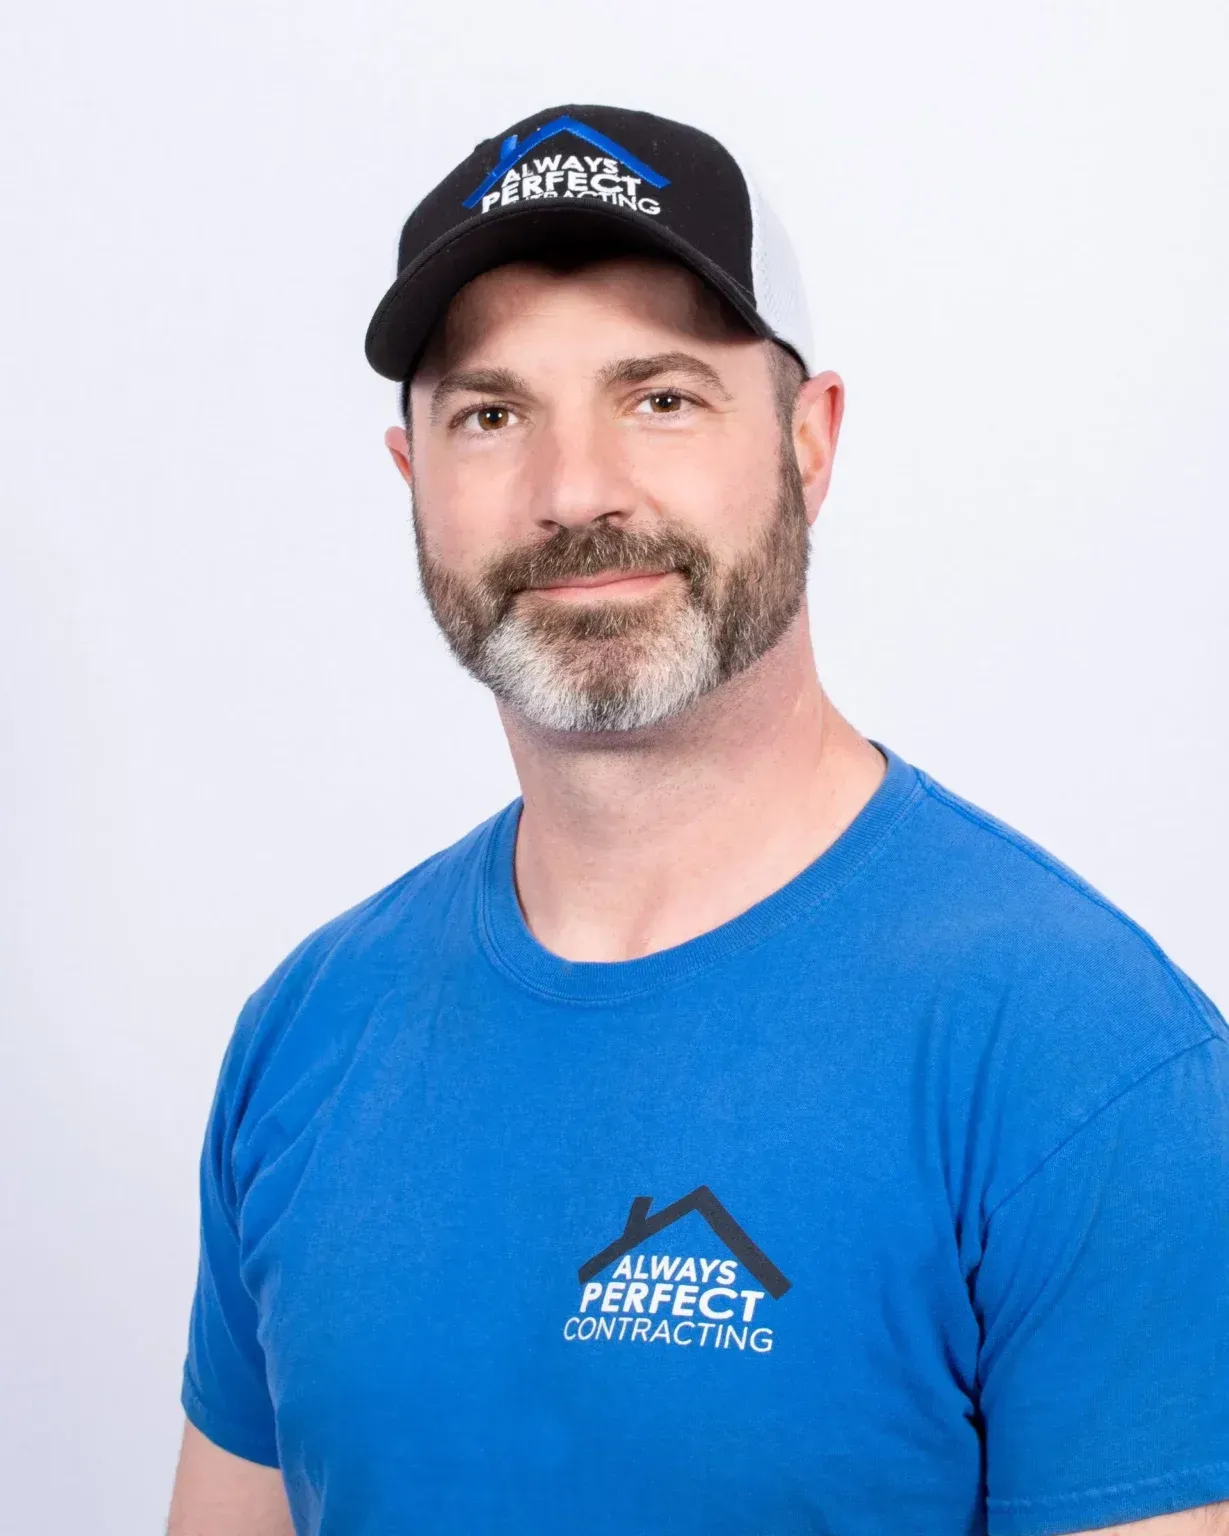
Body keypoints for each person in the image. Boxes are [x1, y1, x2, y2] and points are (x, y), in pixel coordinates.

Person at [166, 104, 1229, 1536]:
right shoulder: (304, 1036)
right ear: (415, 478)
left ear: (810, 440)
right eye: (491, 414)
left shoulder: (1085, 1062)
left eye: (660, 396)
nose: (575, 492)